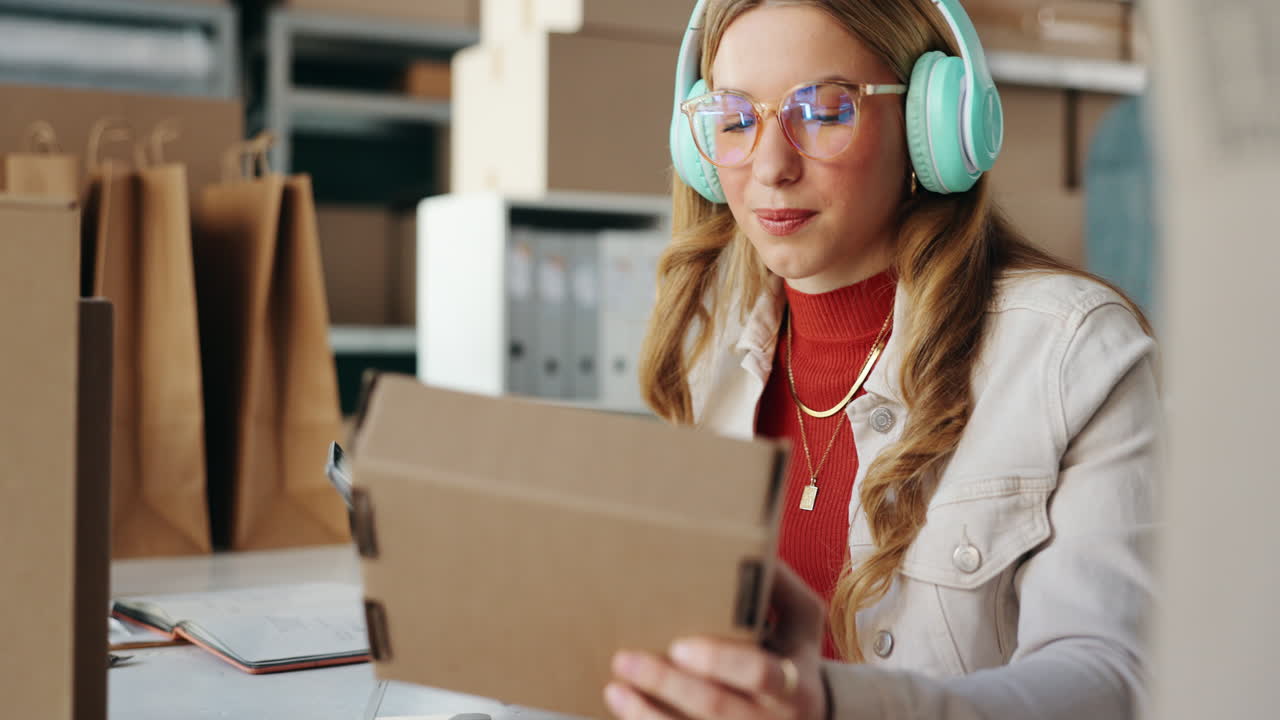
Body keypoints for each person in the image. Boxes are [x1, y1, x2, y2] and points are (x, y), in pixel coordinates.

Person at [604, 0, 1160, 718]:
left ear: (931, 125)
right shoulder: (707, 358)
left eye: (824, 111)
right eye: (736, 119)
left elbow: (1110, 682)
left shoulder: (1071, 352)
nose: (771, 165)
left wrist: (835, 705)